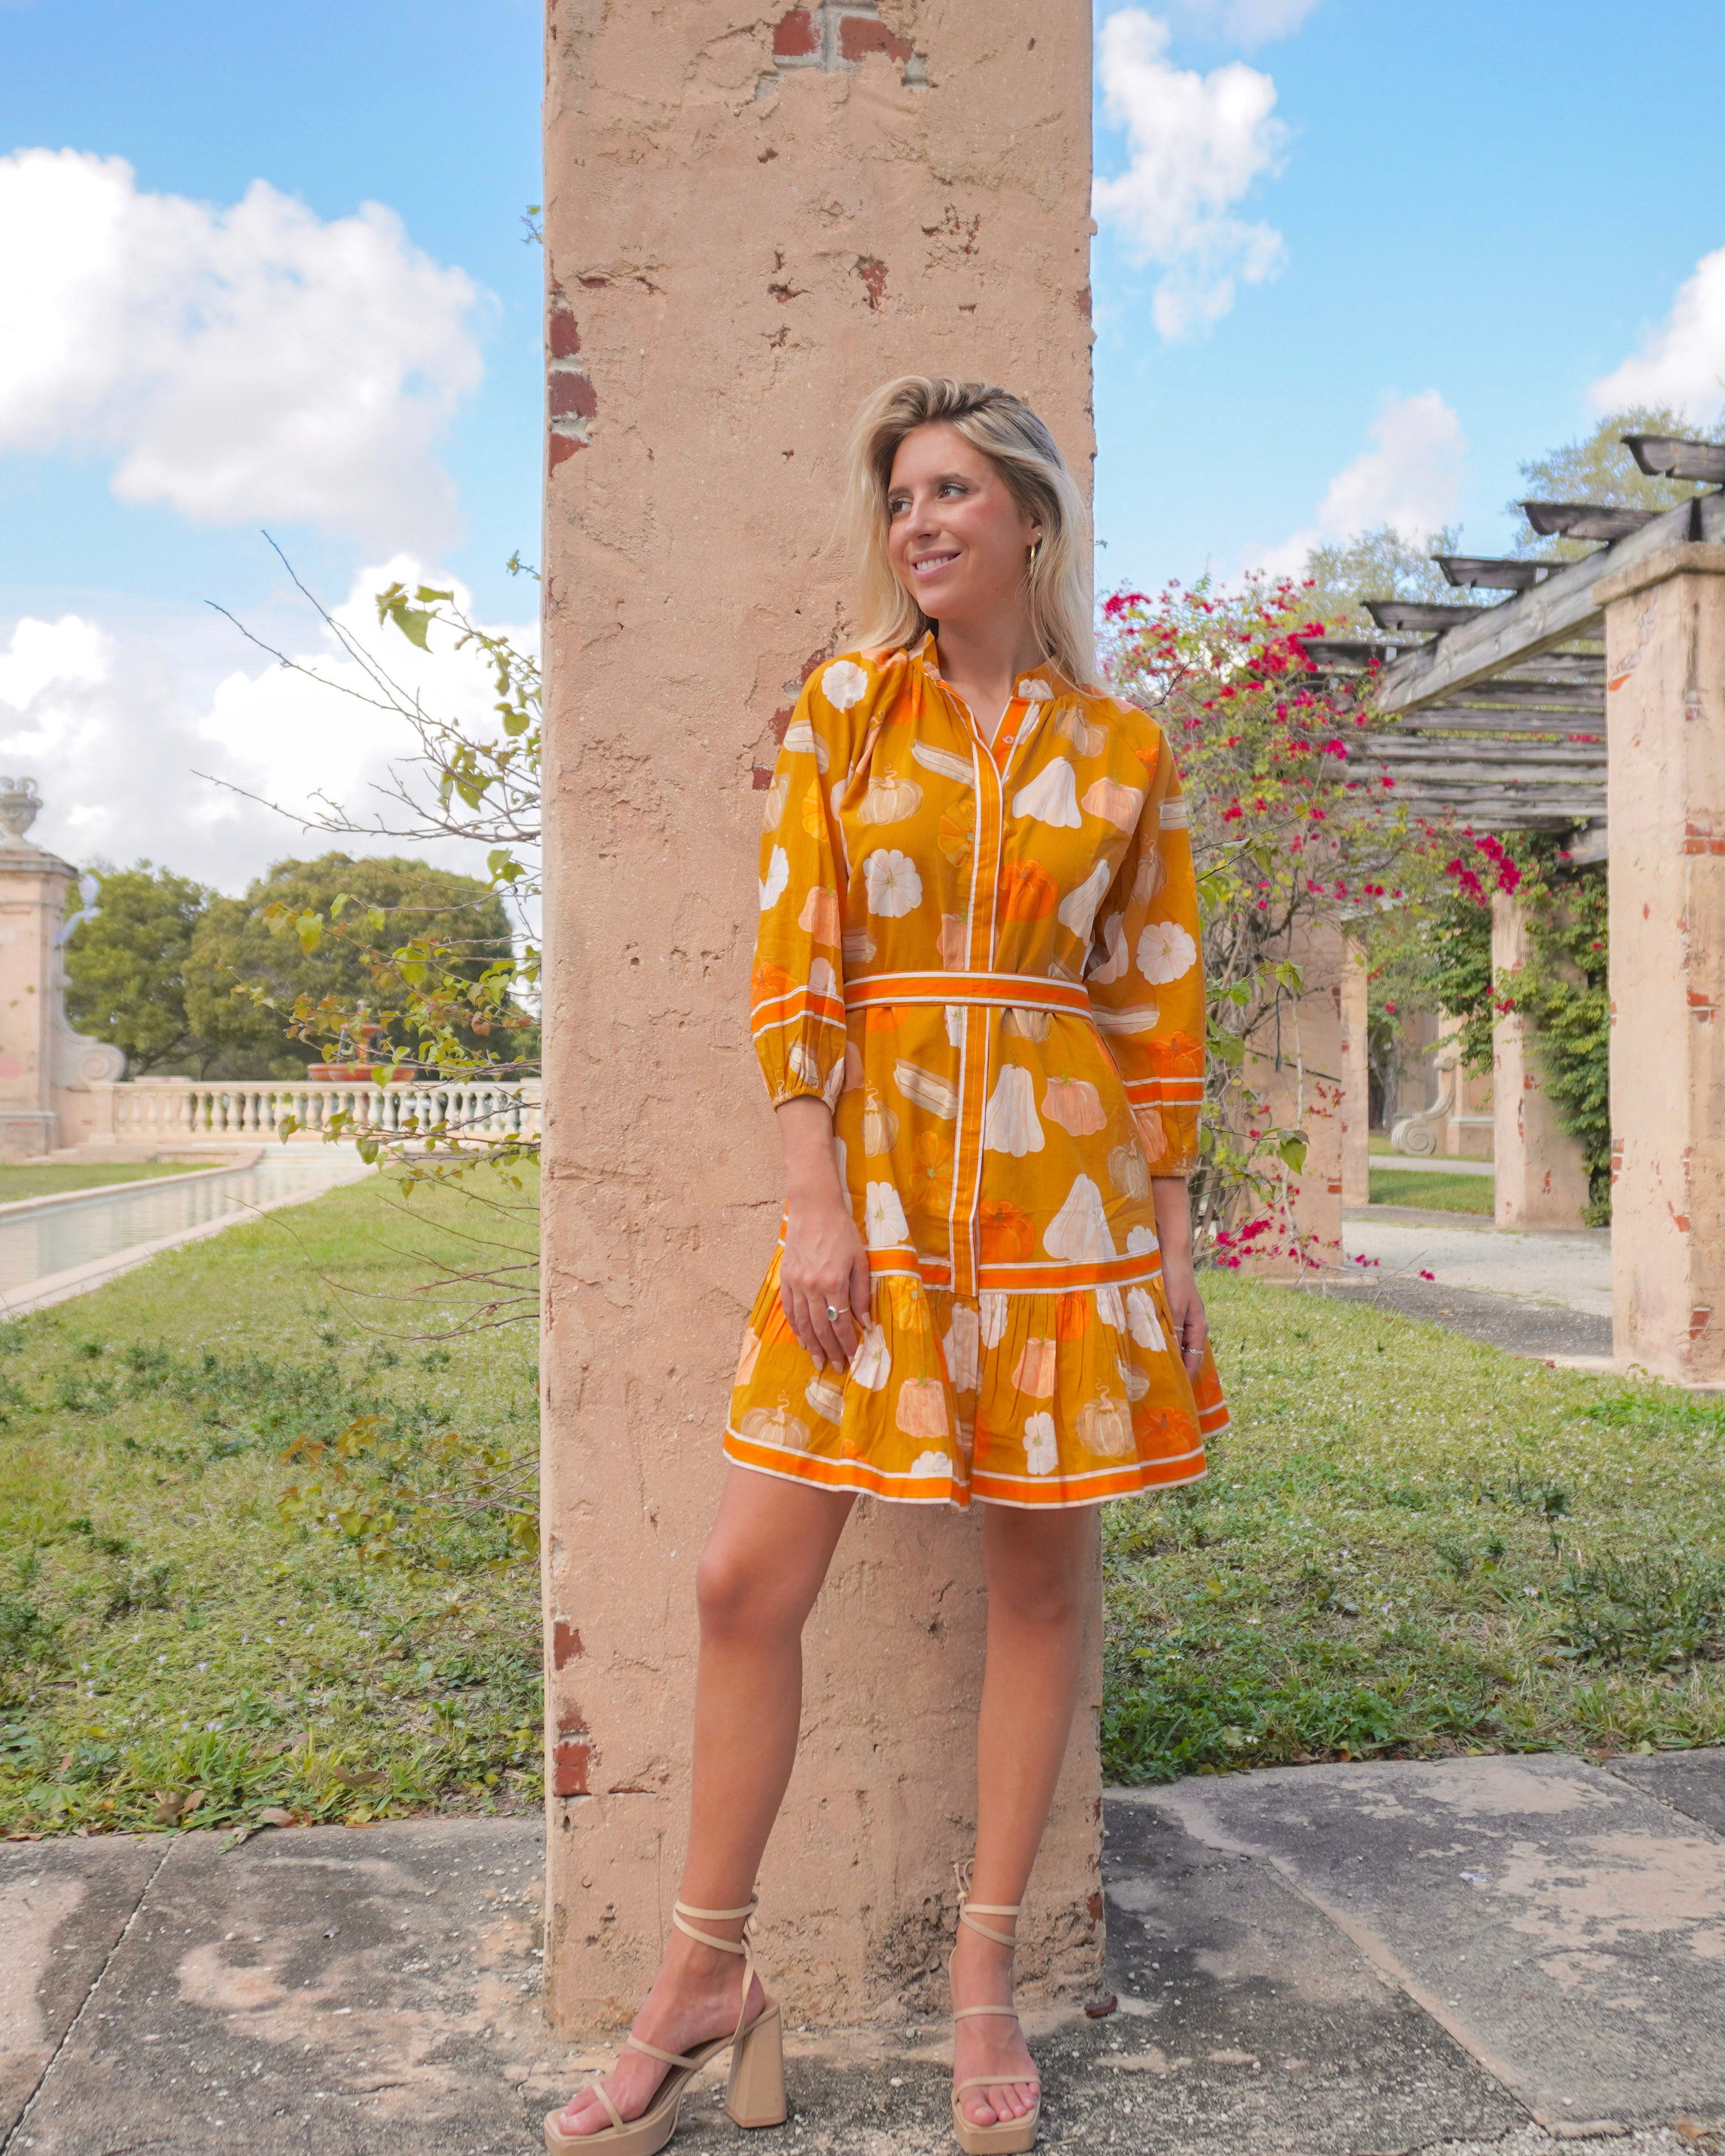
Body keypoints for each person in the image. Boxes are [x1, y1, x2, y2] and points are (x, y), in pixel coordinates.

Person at [547, 375, 1227, 2156]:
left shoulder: (1123, 753)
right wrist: (811, 1194)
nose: (920, 524)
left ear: (1031, 522)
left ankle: (985, 1968)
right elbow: (799, 958)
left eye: (952, 495)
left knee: (1037, 1588)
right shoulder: (845, 713)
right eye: (904, 499)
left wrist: (1166, 1230)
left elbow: (1153, 1001)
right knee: (736, 1579)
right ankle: (705, 1976)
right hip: (877, 1196)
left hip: (1066, 1213)